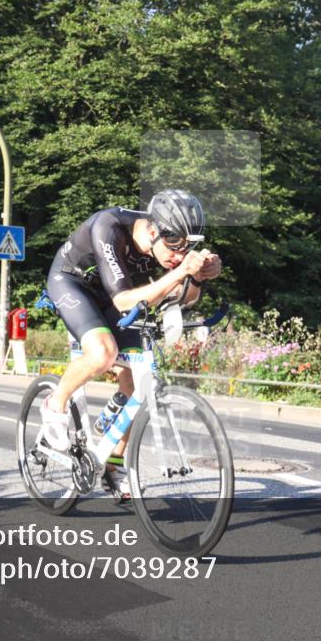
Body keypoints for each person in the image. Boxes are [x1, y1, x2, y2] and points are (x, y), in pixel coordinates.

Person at [42, 189, 222, 501]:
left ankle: (111, 463)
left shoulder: (165, 245)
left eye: (187, 248)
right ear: (153, 230)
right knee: (103, 353)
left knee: (139, 380)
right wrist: (181, 271)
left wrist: (198, 277)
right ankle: (54, 403)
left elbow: (185, 298)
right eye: (175, 246)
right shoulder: (109, 228)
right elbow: (125, 301)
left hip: (116, 294)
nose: (179, 256)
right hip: (73, 284)